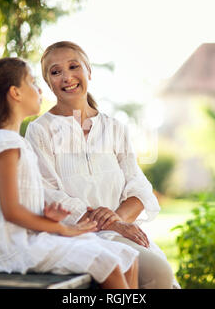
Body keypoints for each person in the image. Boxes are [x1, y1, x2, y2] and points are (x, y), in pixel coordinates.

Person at [0, 57, 139, 289]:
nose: (39, 88)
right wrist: (62, 228)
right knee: (109, 263)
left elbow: (19, 203)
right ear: (15, 93)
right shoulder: (3, 143)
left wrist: (47, 216)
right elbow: (11, 212)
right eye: (31, 82)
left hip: (30, 238)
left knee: (127, 257)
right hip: (11, 247)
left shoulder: (15, 143)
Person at [26, 41, 179, 289]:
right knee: (158, 275)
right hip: (75, 236)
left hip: (121, 233)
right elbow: (48, 194)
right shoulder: (39, 130)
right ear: (48, 82)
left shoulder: (115, 128)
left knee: (162, 276)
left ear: (88, 71)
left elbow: (139, 188)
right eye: (56, 72)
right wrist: (113, 224)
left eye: (73, 66)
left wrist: (117, 221)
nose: (66, 77)